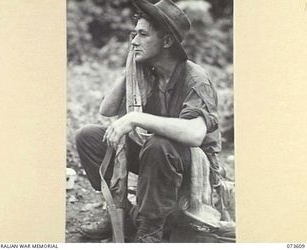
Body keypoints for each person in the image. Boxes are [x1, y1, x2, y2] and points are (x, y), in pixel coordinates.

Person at [75, 0, 222, 243]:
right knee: (89, 136)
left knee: (158, 144)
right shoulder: (148, 72)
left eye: (142, 35)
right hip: (155, 159)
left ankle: (150, 231)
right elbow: (107, 109)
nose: (134, 42)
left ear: (166, 41)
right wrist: (129, 70)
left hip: (193, 166)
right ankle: (120, 215)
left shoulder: (196, 79)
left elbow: (195, 134)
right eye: (134, 34)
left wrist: (135, 117)